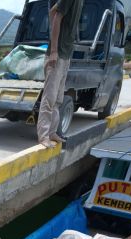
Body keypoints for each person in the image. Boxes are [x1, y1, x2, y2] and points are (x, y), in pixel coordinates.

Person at [36, 0, 84, 149]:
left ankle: (52, 133)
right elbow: (56, 17)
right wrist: (54, 50)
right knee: (49, 98)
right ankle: (43, 136)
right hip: (58, 54)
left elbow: (52, 11)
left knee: (58, 99)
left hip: (66, 55)